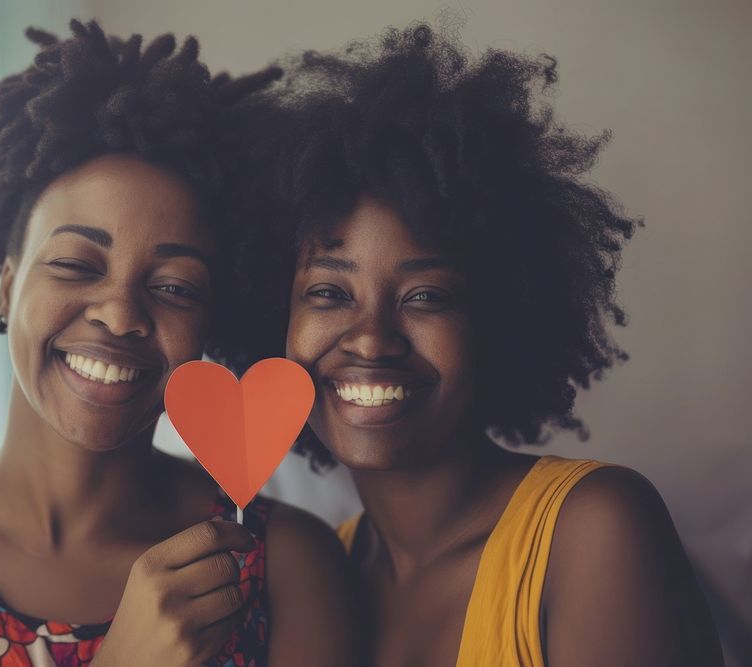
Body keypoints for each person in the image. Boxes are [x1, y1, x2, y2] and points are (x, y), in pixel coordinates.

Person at [0, 20, 353, 666]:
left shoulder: (289, 564)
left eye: (173, 286)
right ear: (7, 287)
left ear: (209, 322)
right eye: (76, 265)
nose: (120, 315)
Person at [216, 23, 724, 666]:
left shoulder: (593, 529)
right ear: (273, 320)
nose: (371, 337)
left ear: (499, 320)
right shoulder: (319, 568)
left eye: (426, 295)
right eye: (329, 293)